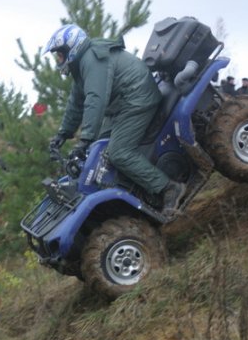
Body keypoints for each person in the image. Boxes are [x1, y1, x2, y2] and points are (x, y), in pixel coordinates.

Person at [44, 24, 186, 216]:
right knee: (96, 147)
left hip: (137, 97)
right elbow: (75, 103)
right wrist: (63, 134)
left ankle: (167, 188)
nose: (58, 60)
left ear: (72, 48)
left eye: (59, 54)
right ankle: (136, 188)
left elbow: (96, 99)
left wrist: (85, 138)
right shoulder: (81, 65)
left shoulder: (92, 59)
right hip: (123, 104)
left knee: (118, 152)